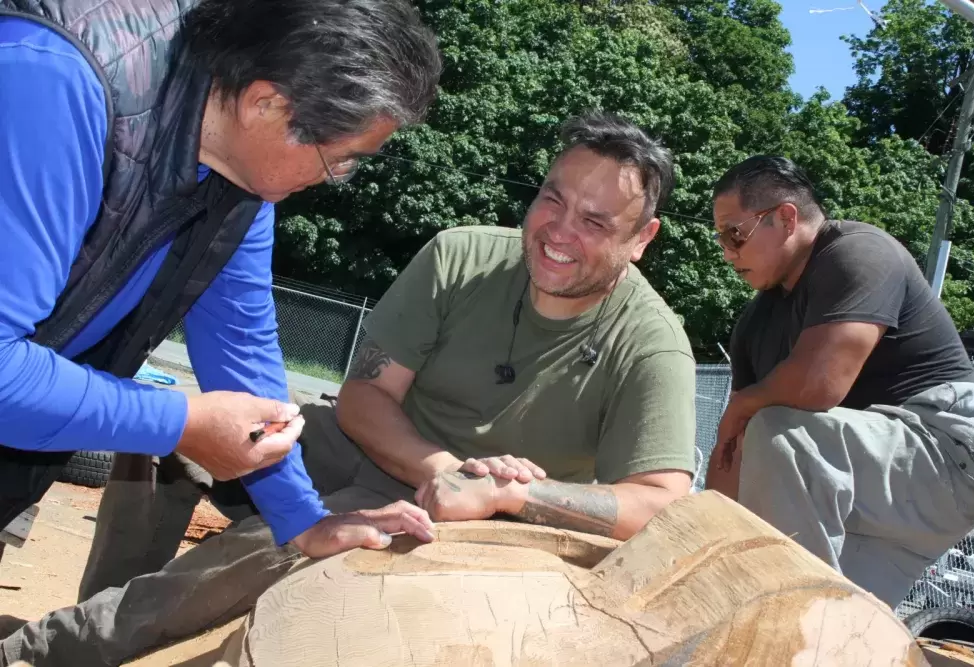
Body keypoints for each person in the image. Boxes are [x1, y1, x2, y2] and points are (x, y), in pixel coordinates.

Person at [1, 112, 699, 666]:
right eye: (553, 197)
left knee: (269, 547)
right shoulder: (462, 254)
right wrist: (443, 469)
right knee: (175, 444)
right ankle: (108, 615)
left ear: (643, 238)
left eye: (595, 221)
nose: (558, 230)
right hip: (390, 445)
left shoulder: (654, 341)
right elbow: (365, 400)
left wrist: (515, 494)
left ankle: (43, 649)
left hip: (487, 516)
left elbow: (661, 502)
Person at [0, 0, 442, 600]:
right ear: (269, 104)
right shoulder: (54, 82)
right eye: (339, 161)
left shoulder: (241, 172)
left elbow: (240, 343)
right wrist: (180, 422)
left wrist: (303, 519)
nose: (333, 180)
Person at [704, 155, 974, 609]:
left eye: (734, 234)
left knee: (780, 432)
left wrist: (744, 405)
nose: (726, 251)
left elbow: (820, 384)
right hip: (866, 498)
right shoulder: (753, 324)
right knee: (836, 629)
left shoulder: (858, 251)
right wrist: (706, 543)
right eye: (720, 238)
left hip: (949, 453)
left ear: (785, 218)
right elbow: (734, 454)